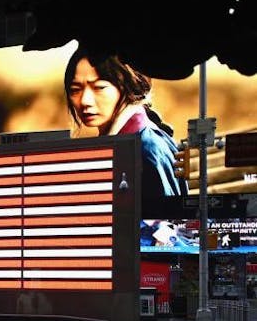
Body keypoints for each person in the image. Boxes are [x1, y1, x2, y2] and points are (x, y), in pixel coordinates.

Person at [64, 48, 188, 212]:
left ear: (126, 85)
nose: (85, 101)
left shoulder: (145, 149)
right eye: (75, 89)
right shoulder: (132, 141)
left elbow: (165, 230)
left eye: (99, 88)